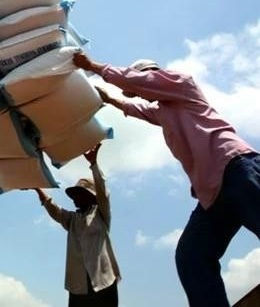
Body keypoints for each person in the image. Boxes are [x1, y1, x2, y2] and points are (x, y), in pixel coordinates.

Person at [72, 51, 260, 306]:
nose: (140, 93)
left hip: (236, 168)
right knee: (192, 256)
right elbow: (138, 109)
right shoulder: (164, 111)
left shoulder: (182, 83)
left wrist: (93, 66)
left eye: (141, 85)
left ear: (152, 73)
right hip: (211, 195)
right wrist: (113, 100)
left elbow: (142, 84)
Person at [32, 143, 120, 307]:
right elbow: (54, 209)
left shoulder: (101, 214)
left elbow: (103, 193)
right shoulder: (72, 220)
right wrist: (37, 189)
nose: (74, 199)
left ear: (90, 196)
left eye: (78, 194)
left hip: (103, 280)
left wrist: (93, 164)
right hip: (79, 285)